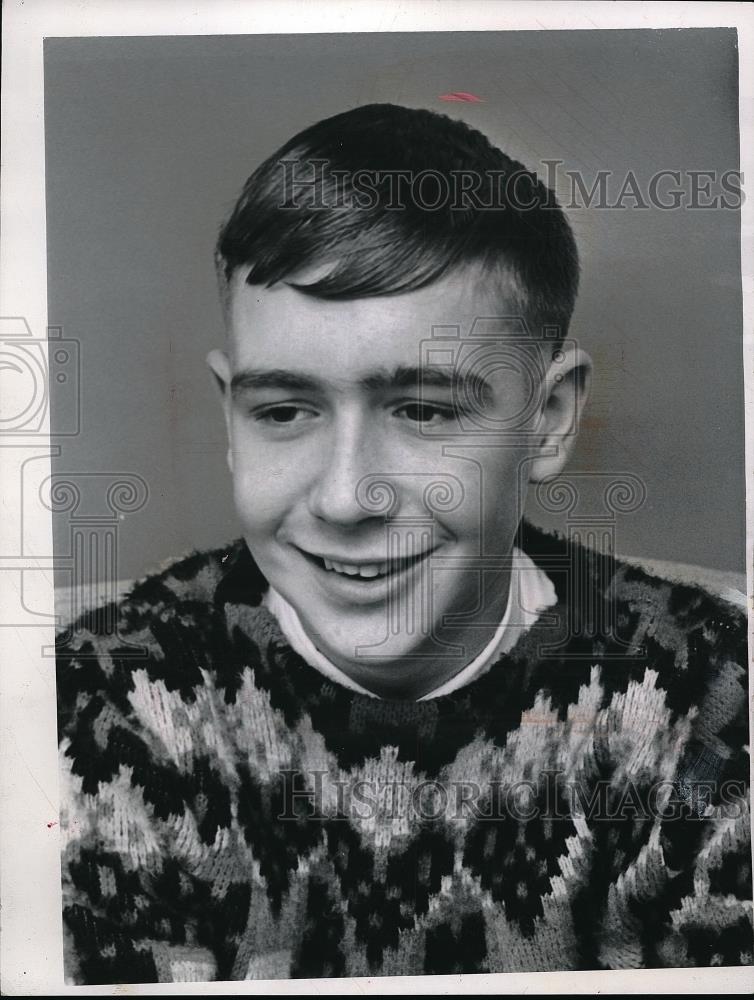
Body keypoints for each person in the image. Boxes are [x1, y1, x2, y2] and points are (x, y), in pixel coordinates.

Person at [56, 104, 752, 984]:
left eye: (423, 410)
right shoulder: (106, 701)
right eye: (284, 411)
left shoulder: (709, 695)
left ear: (548, 419)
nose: (348, 497)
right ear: (230, 417)